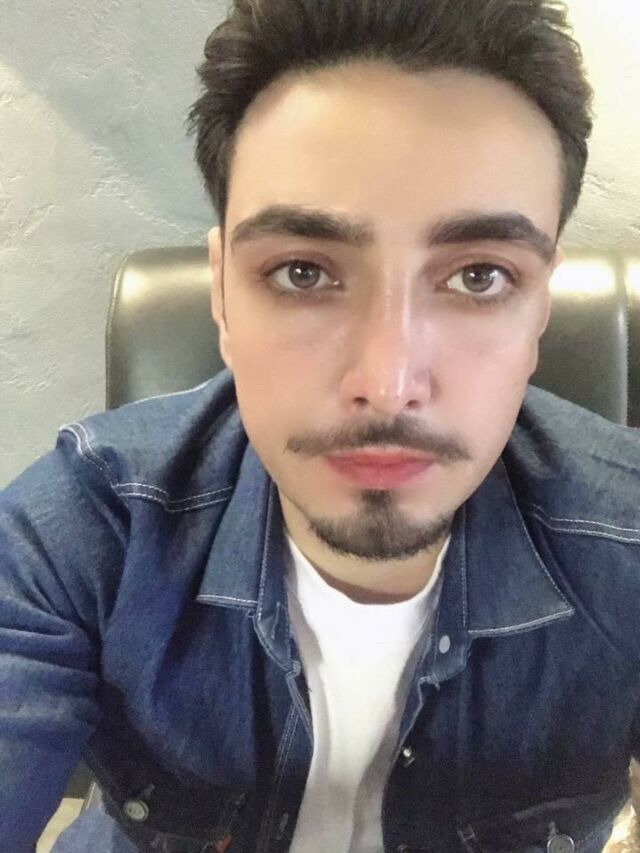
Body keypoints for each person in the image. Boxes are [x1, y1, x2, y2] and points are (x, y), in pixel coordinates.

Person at [1, 0, 638, 851]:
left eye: (480, 276)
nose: (387, 385)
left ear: (541, 310)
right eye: (303, 272)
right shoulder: (81, 535)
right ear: (222, 291)